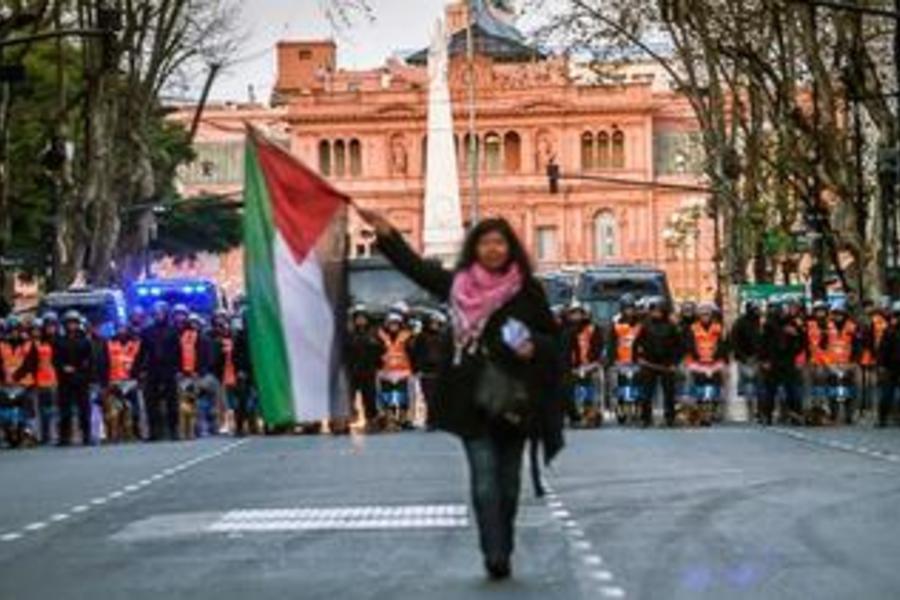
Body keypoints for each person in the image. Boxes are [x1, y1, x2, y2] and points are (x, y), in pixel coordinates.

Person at [359, 208, 563, 581]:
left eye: (499, 241)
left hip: (515, 398)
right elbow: (416, 268)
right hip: (471, 398)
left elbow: (554, 340)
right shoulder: (458, 285)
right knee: (485, 481)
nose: (493, 248)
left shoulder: (527, 289)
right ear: (474, 247)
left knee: (509, 484)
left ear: (510, 247)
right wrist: (386, 232)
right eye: (485, 242)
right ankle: (494, 552)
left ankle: (506, 540)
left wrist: (534, 346)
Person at [134, 301, 181, 441]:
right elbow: (141, 352)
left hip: (169, 369)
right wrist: (136, 370)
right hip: (152, 369)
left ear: (166, 314)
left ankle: (174, 431)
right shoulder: (147, 331)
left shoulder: (173, 331)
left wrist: (178, 369)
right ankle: (154, 432)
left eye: (161, 313)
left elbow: (178, 352)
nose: (158, 315)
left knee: (172, 401)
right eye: (156, 313)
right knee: (151, 402)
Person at [633, 298, 682, 427]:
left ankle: (670, 417)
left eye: (659, 311)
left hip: (667, 364)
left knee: (669, 393)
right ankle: (645, 418)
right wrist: (637, 358)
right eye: (654, 310)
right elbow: (637, 343)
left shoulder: (672, 326)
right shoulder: (645, 325)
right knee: (646, 393)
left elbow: (679, 346)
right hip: (649, 363)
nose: (656, 313)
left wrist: (675, 363)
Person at [758, 302, 805, 425]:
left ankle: (795, 413)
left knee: (792, 388)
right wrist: (764, 360)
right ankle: (767, 414)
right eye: (781, 311)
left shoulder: (794, 324)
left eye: (785, 311)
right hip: (772, 360)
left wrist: (796, 334)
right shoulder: (768, 325)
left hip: (788, 360)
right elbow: (762, 344)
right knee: (770, 389)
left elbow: (801, 342)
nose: (783, 313)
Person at [53, 311, 94, 446]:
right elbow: (55, 359)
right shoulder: (59, 340)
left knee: (84, 409)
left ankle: (87, 436)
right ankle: (64, 437)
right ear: (65, 324)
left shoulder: (85, 341)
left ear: (78, 324)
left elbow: (89, 360)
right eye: (69, 323)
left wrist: (82, 370)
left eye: (74, 322)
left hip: (81, 379)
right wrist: (63, 367)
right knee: (65, 410)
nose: (72, 325)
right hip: (64, 380)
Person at [20, 316, 59, 444]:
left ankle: (52, 435)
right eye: (33, 330)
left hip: (52, 380)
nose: (36, 332)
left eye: (38, 330)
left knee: (51, 410)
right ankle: (40, 436)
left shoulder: (48, 342)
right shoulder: (25, 344)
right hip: (35, 381)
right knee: (38, 410)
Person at [563, 303, 603, 426]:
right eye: (573, 313)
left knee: (591, 380)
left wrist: (592, 364)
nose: (577, 316)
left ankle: (590, 411)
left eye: (579, 313)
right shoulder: (565, 330)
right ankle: (572, 413)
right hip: (570, 367)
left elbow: (598, 348)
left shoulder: (593, 329)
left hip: (589, 365)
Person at [346, 306, 385, 430]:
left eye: (363, 318)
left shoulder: (373, 333)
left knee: (369, 397)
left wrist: (378, 364)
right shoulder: (349, 334)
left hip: (368, 371)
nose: (361, 320)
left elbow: (381, 351)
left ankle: (372, 420)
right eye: (358, 318)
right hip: (352, 371)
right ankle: (346, 421)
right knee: (349, 398)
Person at [102, 322, 143, 440]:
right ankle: (117, 433)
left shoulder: (136, 343)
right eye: (119, 328)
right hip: (114, 380)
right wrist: (105, 379)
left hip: (131, 381)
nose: (121, 330)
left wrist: (139, 376)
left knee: (135, 408)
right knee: (115, 409)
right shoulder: (109, 343)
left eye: (123, 328)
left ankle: (135, 432)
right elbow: (105, 362)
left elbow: (140, 360)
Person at [411, 311, 450, 431]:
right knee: (429, 397)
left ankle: (440, 420)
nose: (434, 325)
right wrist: (416, 368)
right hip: (427, 371)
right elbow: (416, 353)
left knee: (440, 396)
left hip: (440, 370)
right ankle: (431, 420)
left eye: (436, 323)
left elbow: (447, 352)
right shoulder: (421, 337)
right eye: (432, 323)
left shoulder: (443, 337)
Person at [377, 311, 416, 429]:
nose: (393, 326)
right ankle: (390, 420)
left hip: (403, 371)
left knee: (403, 396)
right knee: (387, 396)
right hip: (386, 372)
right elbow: (374, 351)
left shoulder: (407, 336)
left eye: (396, 324)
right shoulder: (380, 336)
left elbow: (414, 352)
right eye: (391, 324)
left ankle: (403, 419)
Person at [878, 301, 900, 426]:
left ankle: (889, 417)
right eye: (896, 316)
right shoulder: (889, 331)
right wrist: (881, 365)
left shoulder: (889, 330)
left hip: (891, 365)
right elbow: (882, 349)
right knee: (887, 393)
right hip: (890, 366)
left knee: (888, 393)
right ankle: (883, 418)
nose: (895, 318)